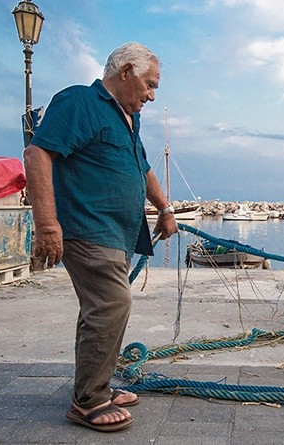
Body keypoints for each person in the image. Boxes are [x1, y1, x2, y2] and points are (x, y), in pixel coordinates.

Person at [23, 42, 178, 432]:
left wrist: (165, 208)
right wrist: (47, 226)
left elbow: (142, 169)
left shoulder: (129, 118)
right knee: (113, 303)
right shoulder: (79, 101)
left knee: (102, 310)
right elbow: (37, 155)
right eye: (149, 84)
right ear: (126, 71)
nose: (151, 94)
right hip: (87, 229)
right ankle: (87, 401)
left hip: (119, 234)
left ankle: (98, 387)